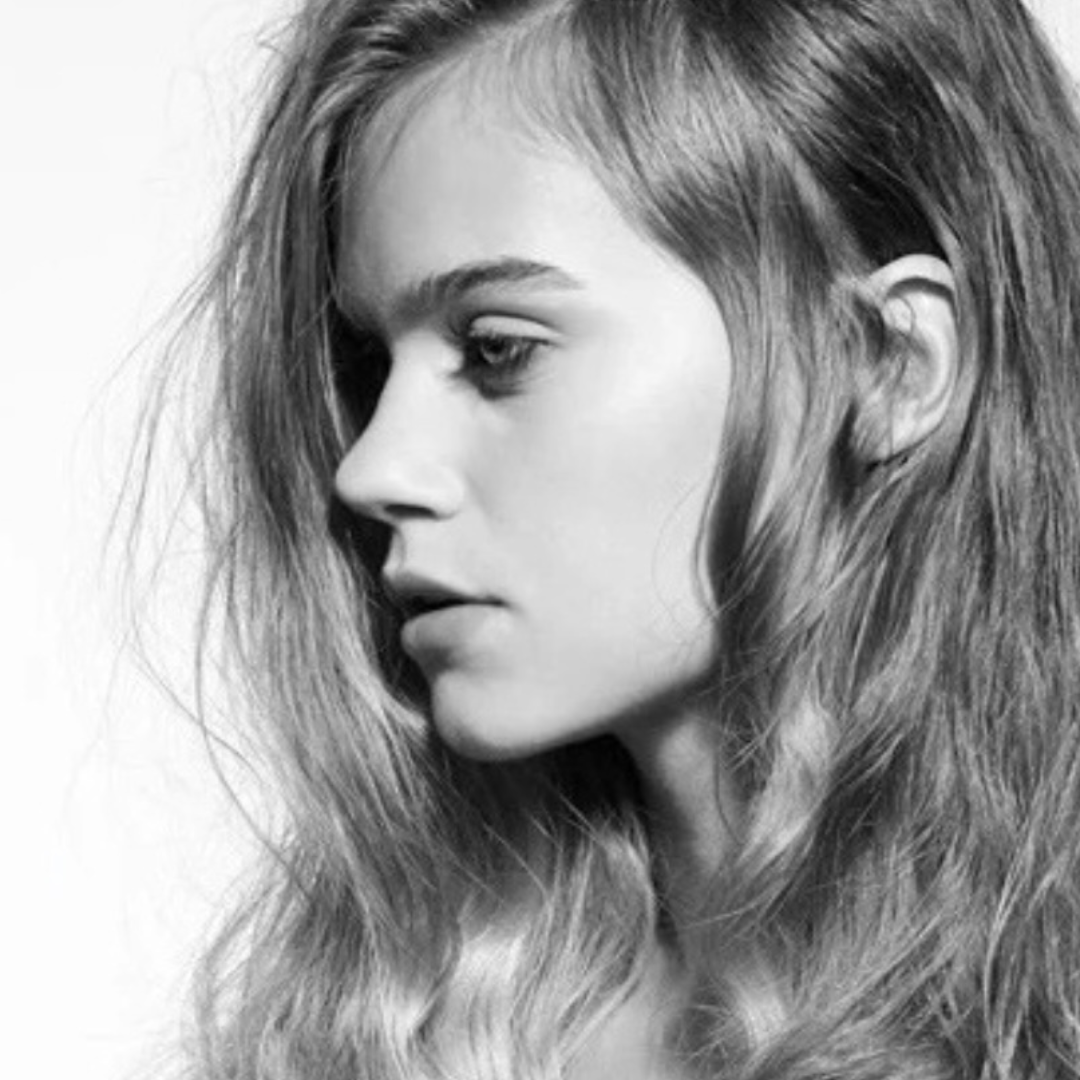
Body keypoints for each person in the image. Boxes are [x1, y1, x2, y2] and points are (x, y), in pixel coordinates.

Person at [152, 0, 1080, 1076]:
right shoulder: (407, 1029)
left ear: (886, 363)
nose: (368, 467)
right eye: (371, 367)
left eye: (497, 349)